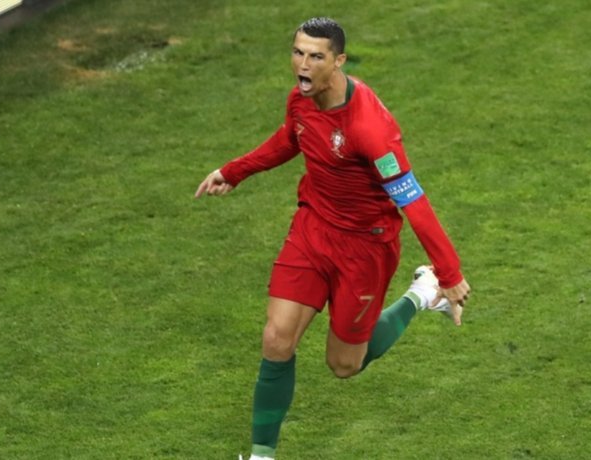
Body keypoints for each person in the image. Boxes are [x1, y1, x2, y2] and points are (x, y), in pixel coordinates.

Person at [194, 17, 471, 460]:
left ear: (339, 61)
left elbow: (413, 201)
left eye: (315, 56)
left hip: (365, 247)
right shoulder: (301, 101)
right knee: (276, 340)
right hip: (313, 229)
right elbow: (292, 138)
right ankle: (262, 455)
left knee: (344, 365)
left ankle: (423, 292)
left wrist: (450, 273)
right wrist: (235, 170)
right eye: (298, 53)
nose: (302, 65)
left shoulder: (371, 131)